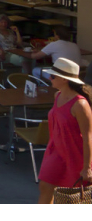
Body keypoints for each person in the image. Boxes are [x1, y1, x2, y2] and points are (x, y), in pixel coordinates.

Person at [37, 58, 92, 203]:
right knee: (45, 186)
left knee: (73, 198)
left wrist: (87, 167)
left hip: (74, 153)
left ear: (64, 79)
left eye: (53, 76)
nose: (50, 78)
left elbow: (87, 137)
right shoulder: (57, 96)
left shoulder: (80, 104)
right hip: (55, 151)